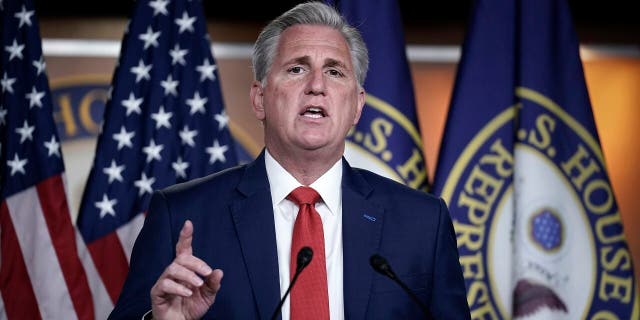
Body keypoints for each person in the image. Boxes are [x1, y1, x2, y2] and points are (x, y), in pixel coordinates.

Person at [109, 2, 470, 319]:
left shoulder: (423, 223)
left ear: (357, 105)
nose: (316, 85)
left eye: (335, 71)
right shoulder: (181, 214)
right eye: (297, 68)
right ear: (259, 98)